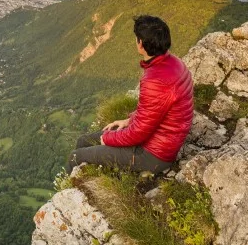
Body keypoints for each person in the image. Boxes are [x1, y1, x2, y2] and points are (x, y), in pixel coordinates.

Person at [66, 15, 193, 175]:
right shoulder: (174, 62)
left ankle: (74, 186)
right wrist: (128, 120)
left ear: (140, 44)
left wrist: (107, 139)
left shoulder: (155, 80)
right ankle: (90, 174)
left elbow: (138, 134)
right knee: (83, 141)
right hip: (161, 141)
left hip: (152, 155)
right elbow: (154, 111)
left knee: (75, 156)